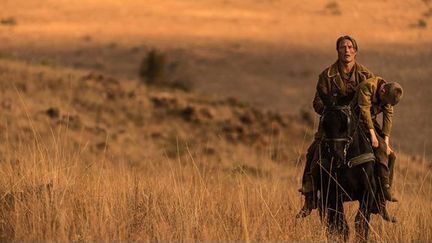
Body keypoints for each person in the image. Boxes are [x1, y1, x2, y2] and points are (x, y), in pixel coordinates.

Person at [296, 35, 374, 218]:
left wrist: (364, 113)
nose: (346, 50)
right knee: (312, 154)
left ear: (355, 50)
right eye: (342, 47)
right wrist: (331, 109)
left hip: (361, 124)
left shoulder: (367, 75)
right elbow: (316, 102)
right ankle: (310, 197)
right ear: (337, 51)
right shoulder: (326, 75)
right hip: (333, 127)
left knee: (384, 154)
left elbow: (375, 100)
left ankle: (382, 195)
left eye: (349, 47)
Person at [354, 77, 403, 222]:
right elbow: (364, 110)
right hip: (355, 117)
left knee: (391, 155)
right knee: (379, 146)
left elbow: (388, 117)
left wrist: (386, 142)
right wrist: (373, 135)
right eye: (385, 101)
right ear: (382, 90)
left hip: (370, 121)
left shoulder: (389, 94)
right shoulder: (368, 86)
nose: (386, 104)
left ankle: (382, 200)